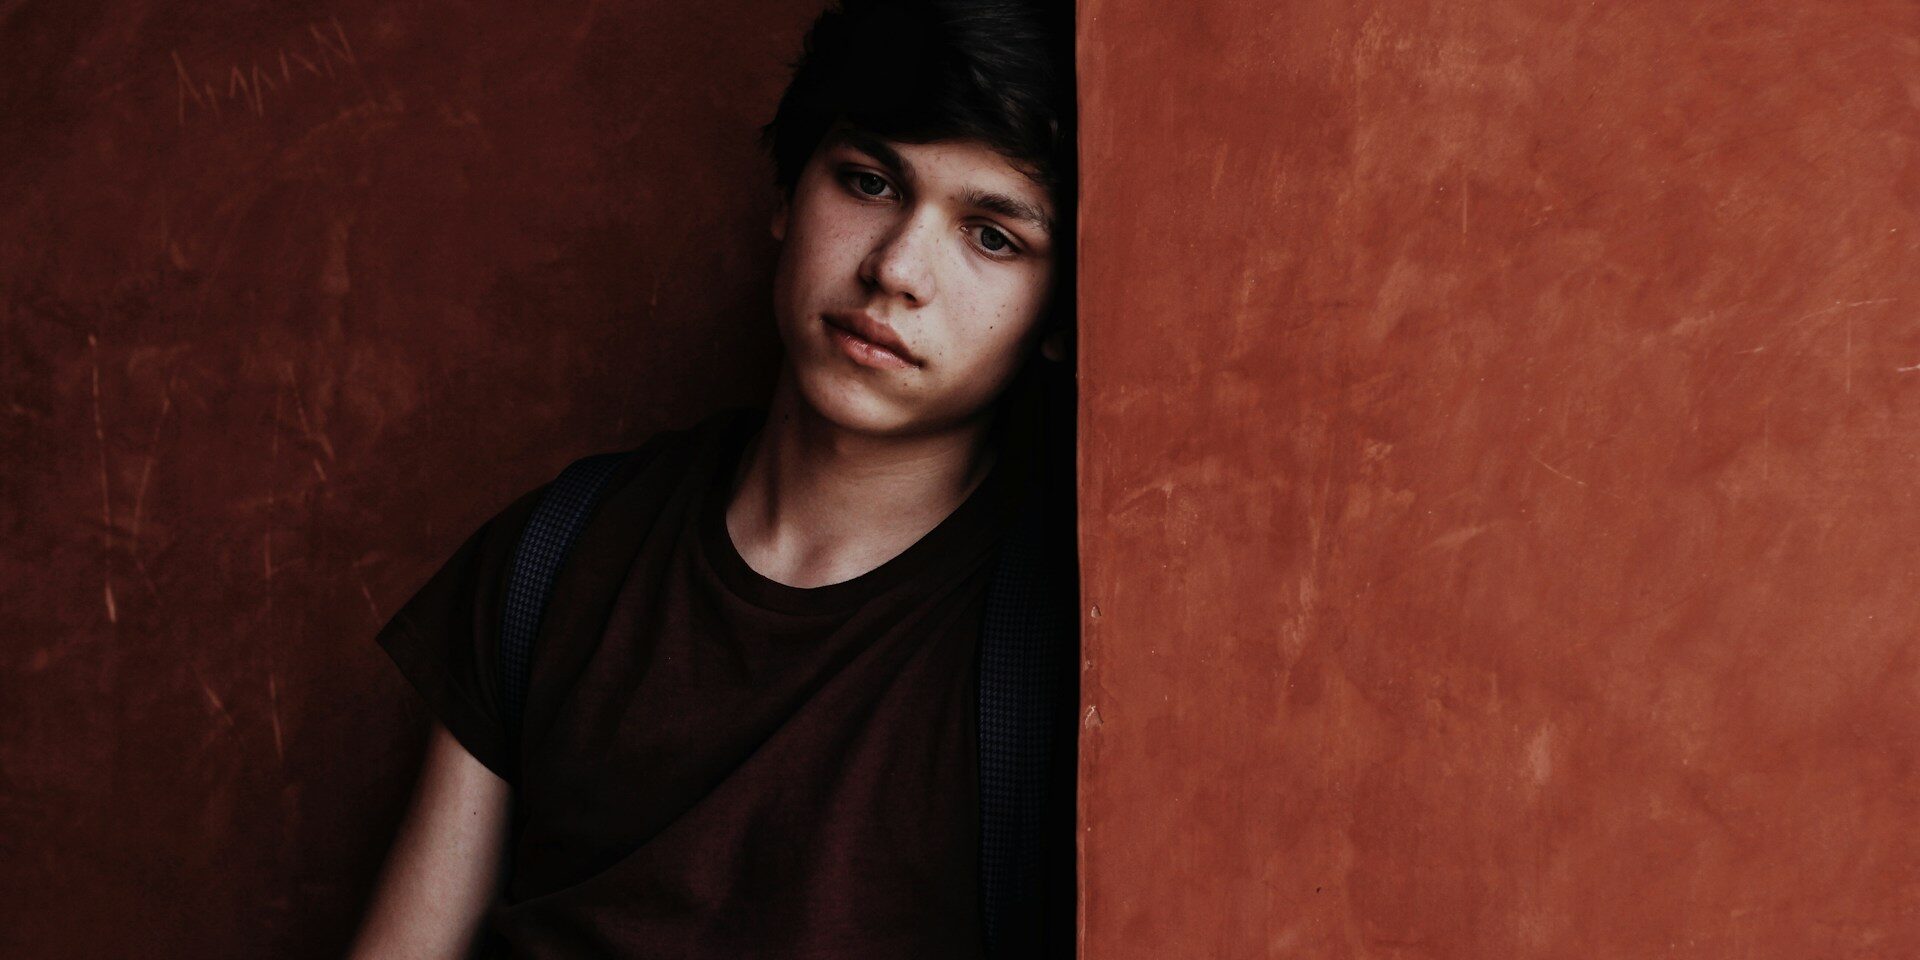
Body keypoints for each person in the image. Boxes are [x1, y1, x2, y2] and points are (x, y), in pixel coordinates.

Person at [346, 0, 1077, 956]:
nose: (897, 268)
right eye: (866, 182)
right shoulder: (557, 554)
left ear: (1059, 313)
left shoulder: (1058, 634)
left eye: (992, 237)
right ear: (787, 194)